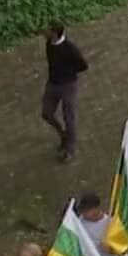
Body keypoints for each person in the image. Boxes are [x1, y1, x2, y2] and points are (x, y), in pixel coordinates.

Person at [41, 22, 88, 162]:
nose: (45, 32)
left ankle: (70, 149)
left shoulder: (70, 49)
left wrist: (68, 74)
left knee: (69, 117)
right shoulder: (49, 44)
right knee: (46, 113)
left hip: (67, 86)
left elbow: (83, 65)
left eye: (48, 30)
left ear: (55, 33)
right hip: (52, 84)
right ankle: (63, 135)